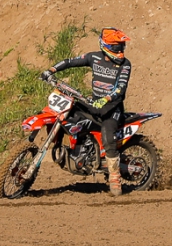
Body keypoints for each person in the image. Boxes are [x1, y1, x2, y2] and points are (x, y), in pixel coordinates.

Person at [52, 28, 134, 196]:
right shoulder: (94, 58)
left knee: (107, 136)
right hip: (95, 104)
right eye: (117, 47)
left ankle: (115, 178)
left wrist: (107, 99)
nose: (121, 50)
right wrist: (52, 70)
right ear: (105, 46)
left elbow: (121, 88)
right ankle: (79, 150)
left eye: (122, 46)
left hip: (112, 109)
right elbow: (70, 61)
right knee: (71, 113)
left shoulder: (125, 64)